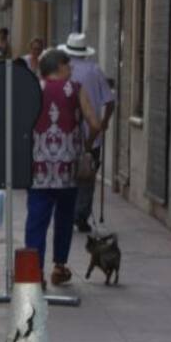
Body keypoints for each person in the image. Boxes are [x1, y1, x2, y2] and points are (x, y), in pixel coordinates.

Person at [26, 49, 104, 286]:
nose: (71, 70)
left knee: (37, 219)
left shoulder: (33, 89)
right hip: (67, 169)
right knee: (64, 218)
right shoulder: (75, 89)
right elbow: (95, 123)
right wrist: (85, 145)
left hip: (38, 167)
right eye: (69, 66)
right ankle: (59, 267)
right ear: (59, 66)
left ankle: (34, 271)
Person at [57, 33, 115, 232]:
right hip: (92, 133)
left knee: (67, 177)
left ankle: (67, 213)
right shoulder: (95, 70)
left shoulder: (63, 71)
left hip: (66, 134)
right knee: (88, 176)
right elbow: (110, 101)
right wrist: (105, 122)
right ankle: (81, 216)